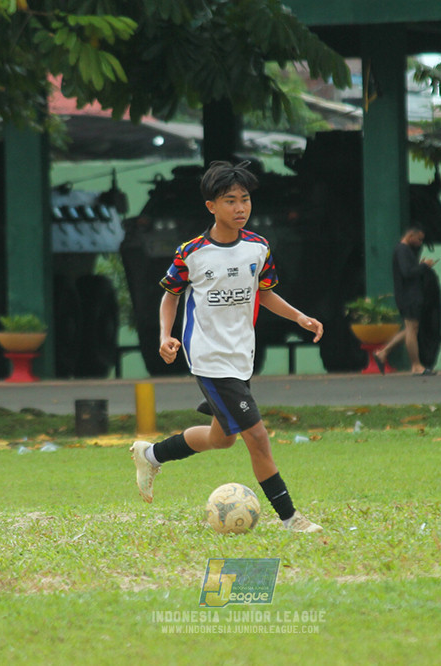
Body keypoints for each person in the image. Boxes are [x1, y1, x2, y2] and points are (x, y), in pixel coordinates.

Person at [129, 160, 325, 533]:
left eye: (245, 199)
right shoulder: (192, 252)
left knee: (223, 438)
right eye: (230, 200)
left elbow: (264, 294)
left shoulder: (258, 248)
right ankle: (290, 518)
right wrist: (164, 336)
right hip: (209, 358)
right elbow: (169, 296)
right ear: (211, 207)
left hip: (240, 358)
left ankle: (150, 454)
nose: (240, 208)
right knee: (258, 438)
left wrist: (299, 317)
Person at [375, 227, 438, 375]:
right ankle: (416, 366)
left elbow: (409, 270)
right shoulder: (402, 250)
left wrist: (419, 266)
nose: (420, 242)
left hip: (409, 295)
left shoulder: (404, 251)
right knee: (411, 329)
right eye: (419, 239)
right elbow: (407, 272)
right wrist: (424, 266)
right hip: (408, 296)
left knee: (411, 328)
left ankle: (383, 353)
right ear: (411, 235)